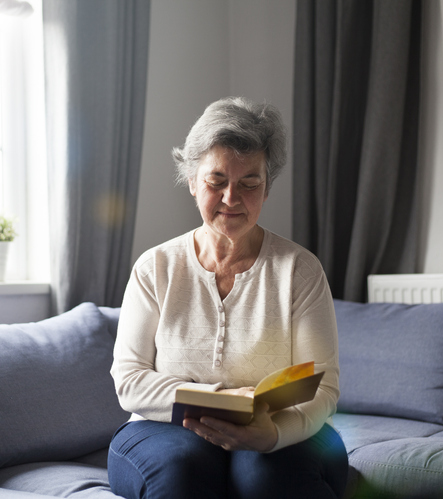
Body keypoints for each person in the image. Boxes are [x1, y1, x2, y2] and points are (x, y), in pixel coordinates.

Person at [108, 97, 348, 499]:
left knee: (266, 479)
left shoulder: (299, 270)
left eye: (250, 183)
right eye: (216, 181)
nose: (231, 198)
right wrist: (218, 400)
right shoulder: (155, 268)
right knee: (180, 472)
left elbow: (321, 386)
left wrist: (273, 433)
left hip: (280, 425)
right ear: (191, 180)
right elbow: (130, 381)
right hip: (164, 428)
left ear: (267, 187)